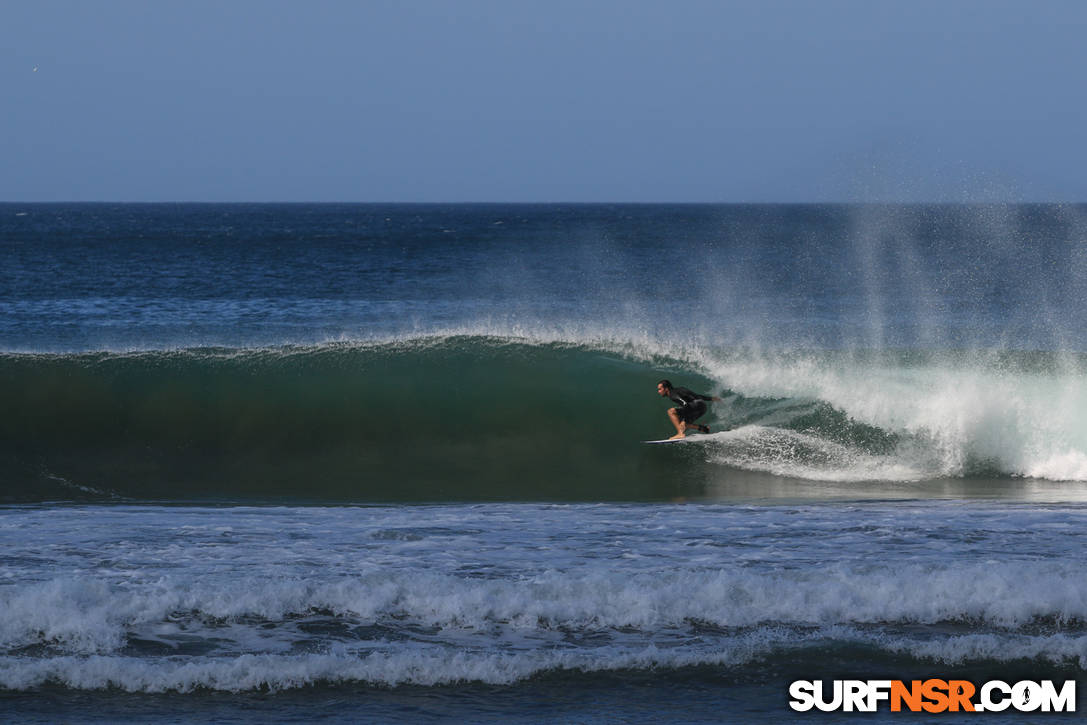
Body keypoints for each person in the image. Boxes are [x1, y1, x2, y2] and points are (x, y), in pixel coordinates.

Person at [656, 379, 722, 439]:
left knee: (671, 412)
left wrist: (684, 420)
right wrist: (711, 398)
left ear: (666, 389)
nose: (658, 391)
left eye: (660, 389)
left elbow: (685, 404)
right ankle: (704, 429)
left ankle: (680, 434)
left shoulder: (672, 395)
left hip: (695, 406)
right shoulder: (681, 389)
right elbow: (697, 396)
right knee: (680, 423)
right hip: (702, 406)